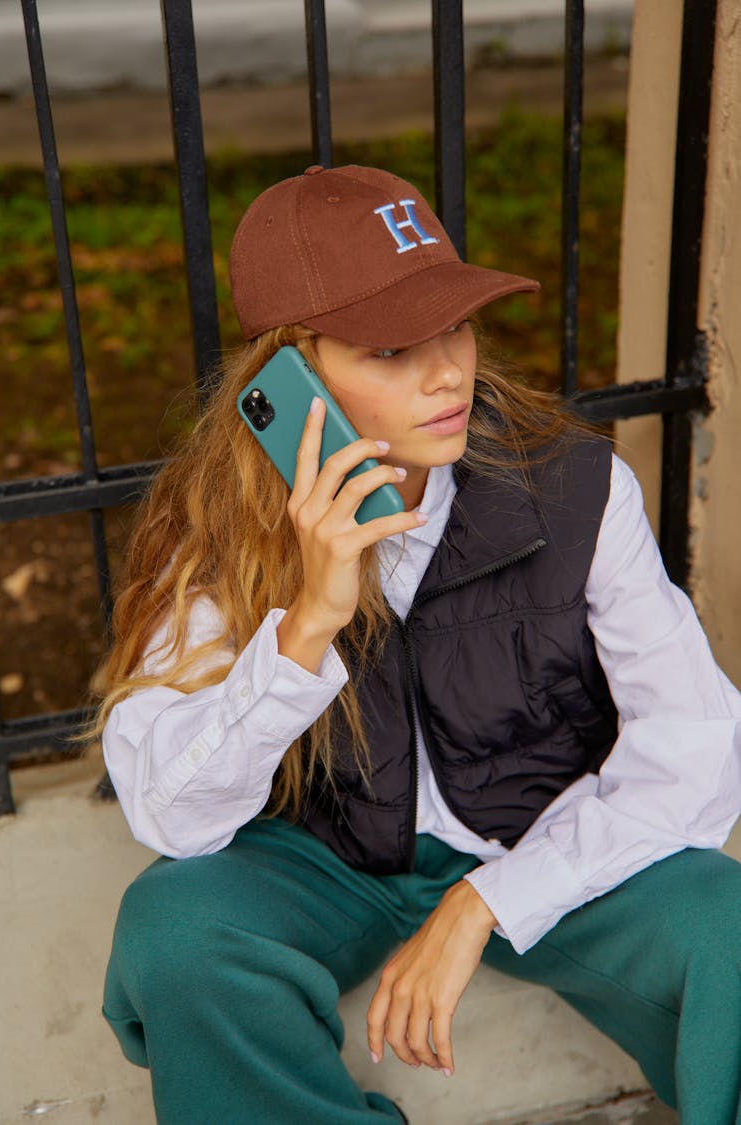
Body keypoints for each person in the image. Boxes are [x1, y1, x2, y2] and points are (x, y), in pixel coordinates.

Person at [98, 164, 741, 1125]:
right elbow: (171, 815)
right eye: (392, 347)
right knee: (173, 931)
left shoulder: (575, 489)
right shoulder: (216, 532)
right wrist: (309, 621)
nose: (447, 371)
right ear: (291, 372)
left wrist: (485, 902)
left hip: (538, 831)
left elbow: (697, 749)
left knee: (727, 923)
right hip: (328, 861)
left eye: (455, 323)